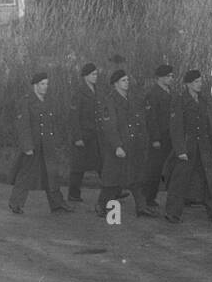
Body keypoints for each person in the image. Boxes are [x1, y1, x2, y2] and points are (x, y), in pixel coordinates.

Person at [163, 70, 212, 224]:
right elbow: (176, 127)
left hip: (204, 147)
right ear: (187, 84)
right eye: (196, 82)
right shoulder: (179, 101)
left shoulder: (202, 100)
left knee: (209, 180)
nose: (200, 84)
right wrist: (180, 150)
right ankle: (172, 212)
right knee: (180, 180)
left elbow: (208, 124)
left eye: (200, 81)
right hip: (187, 147)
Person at [9, 71, 71, 215]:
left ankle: (57, 204)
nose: (45, 87)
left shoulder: (48, 101)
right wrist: (27, 146)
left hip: (47, 145)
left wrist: (55, 141)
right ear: (35, 86)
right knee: (25, 174)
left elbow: (52, 124)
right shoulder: (26, 101)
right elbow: (23, 125)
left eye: (47, 84)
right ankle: (16, 203)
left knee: (52, 174)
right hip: (33, 145)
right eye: (42, 84)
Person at [96, 69, 156, 218]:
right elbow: (109, 126)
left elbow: (138, 120)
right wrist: (117, 146)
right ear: (115, 83)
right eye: (123, 80)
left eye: (127, 80)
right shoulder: (110, 100)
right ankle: (101, 205)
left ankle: (141, 207)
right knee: (113, 180)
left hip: (133, 144)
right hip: (118, 146)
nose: (127, 82)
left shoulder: (131, 99)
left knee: (136, 177)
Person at [140, 64, 176, 210]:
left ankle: (154, 197)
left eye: (172, 76)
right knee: (154, 168)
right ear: (160, 78)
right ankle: (147, 197)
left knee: (169, 167)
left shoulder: (169, 91)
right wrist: (155, 139)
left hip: (170, 136)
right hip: (159, 137)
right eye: (169, 76)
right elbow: (151, 118)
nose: (171, 78)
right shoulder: (152, 94)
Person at [67, 62, 102, 202]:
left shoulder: (96, 90)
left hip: (94, 134)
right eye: (93, 74)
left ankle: (113, 191)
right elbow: (73, 117)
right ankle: (73, 194)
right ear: (85, 76)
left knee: (102, 163)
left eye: (96, 74)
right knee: (78, 167)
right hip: (82, 135)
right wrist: (77, 137)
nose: (96, 77)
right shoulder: (79, 92)